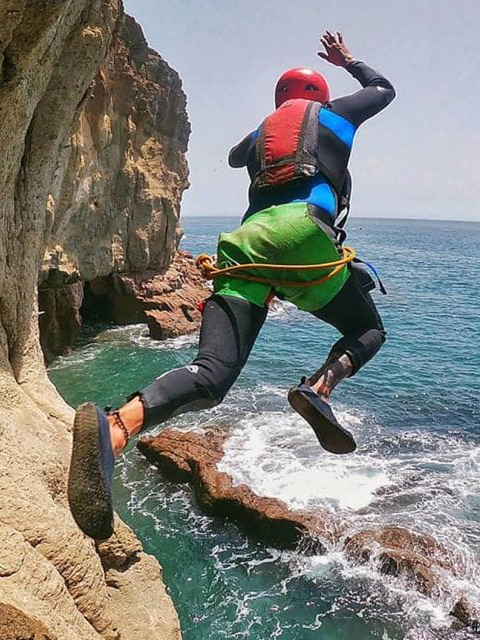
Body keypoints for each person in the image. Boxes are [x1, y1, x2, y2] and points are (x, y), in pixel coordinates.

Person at [68, 31, 396, 540]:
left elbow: (233, 157)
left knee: (211, 373)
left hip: (242, 247)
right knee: (367, 328)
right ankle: (318, 388)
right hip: (302, 237)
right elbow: (384, 90)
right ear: (321, 99)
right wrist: (349, 60)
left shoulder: (262, 133)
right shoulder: (335, 116)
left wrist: (266, 132)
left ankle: (114, 430)